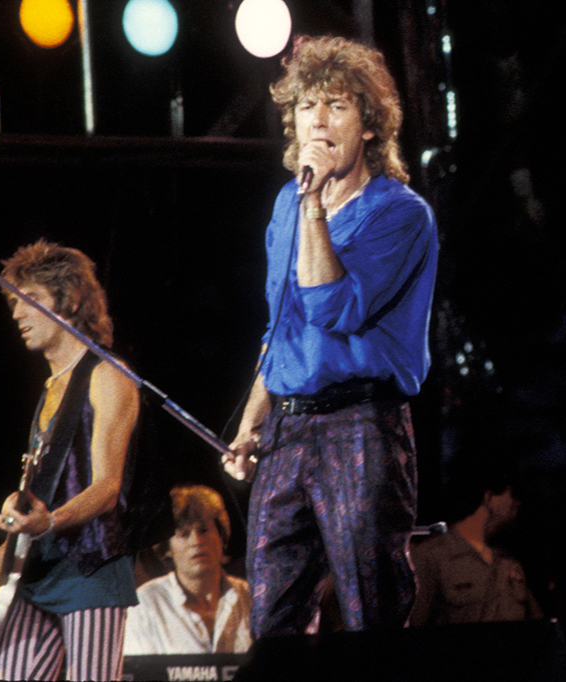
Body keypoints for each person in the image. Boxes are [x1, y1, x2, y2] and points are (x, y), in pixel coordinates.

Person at [223, 34, 438, 636]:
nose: (317, 121)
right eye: (306, 107)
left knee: (369, 609)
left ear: (368, 125)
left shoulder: (400, 214)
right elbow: (282, 323)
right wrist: (253, 418)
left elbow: (330, 306)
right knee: (273, 617)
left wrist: (315, 201)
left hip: (360, 427)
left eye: (336, 106)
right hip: (289, 427)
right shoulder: (285, 208)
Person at [0, 240, 140, 681]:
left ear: (70, 301)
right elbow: (45, 494)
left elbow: (106, 487)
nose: (15, 314)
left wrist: (46, 523)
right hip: (37, 567)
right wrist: (0, 554)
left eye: (29, 301)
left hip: (93, 568)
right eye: (11, 303)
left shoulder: (108, 376)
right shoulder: (50, 388)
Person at [125, 485, 251, 655]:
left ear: (221, 537)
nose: (196, 541)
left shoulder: (250, 597)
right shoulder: (146, 603)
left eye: (204, 530)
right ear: (167, 547)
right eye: (183, 534)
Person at [410, 471, 543, 626]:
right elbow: (415, 628)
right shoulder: (432, 556)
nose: (517, 503)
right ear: (489, 498)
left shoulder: (509, 560)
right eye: (512, 494)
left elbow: (538, 625)